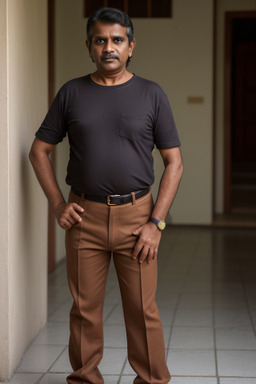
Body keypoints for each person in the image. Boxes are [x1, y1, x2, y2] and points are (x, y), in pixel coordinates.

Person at [29, 7, 183, 384]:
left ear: (131, 46)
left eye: (117, 40)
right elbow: (38, 151)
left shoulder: (151, 94)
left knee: (142, 310)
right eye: (101, 40)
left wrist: (156, 223)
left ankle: (151, 381)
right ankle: (85, 379)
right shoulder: (71, 93)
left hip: (138, 220)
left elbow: (174, 163)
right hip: (85, 218)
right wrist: (57, 205)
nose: (109, 48)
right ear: (89, 47)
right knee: (84, 311)